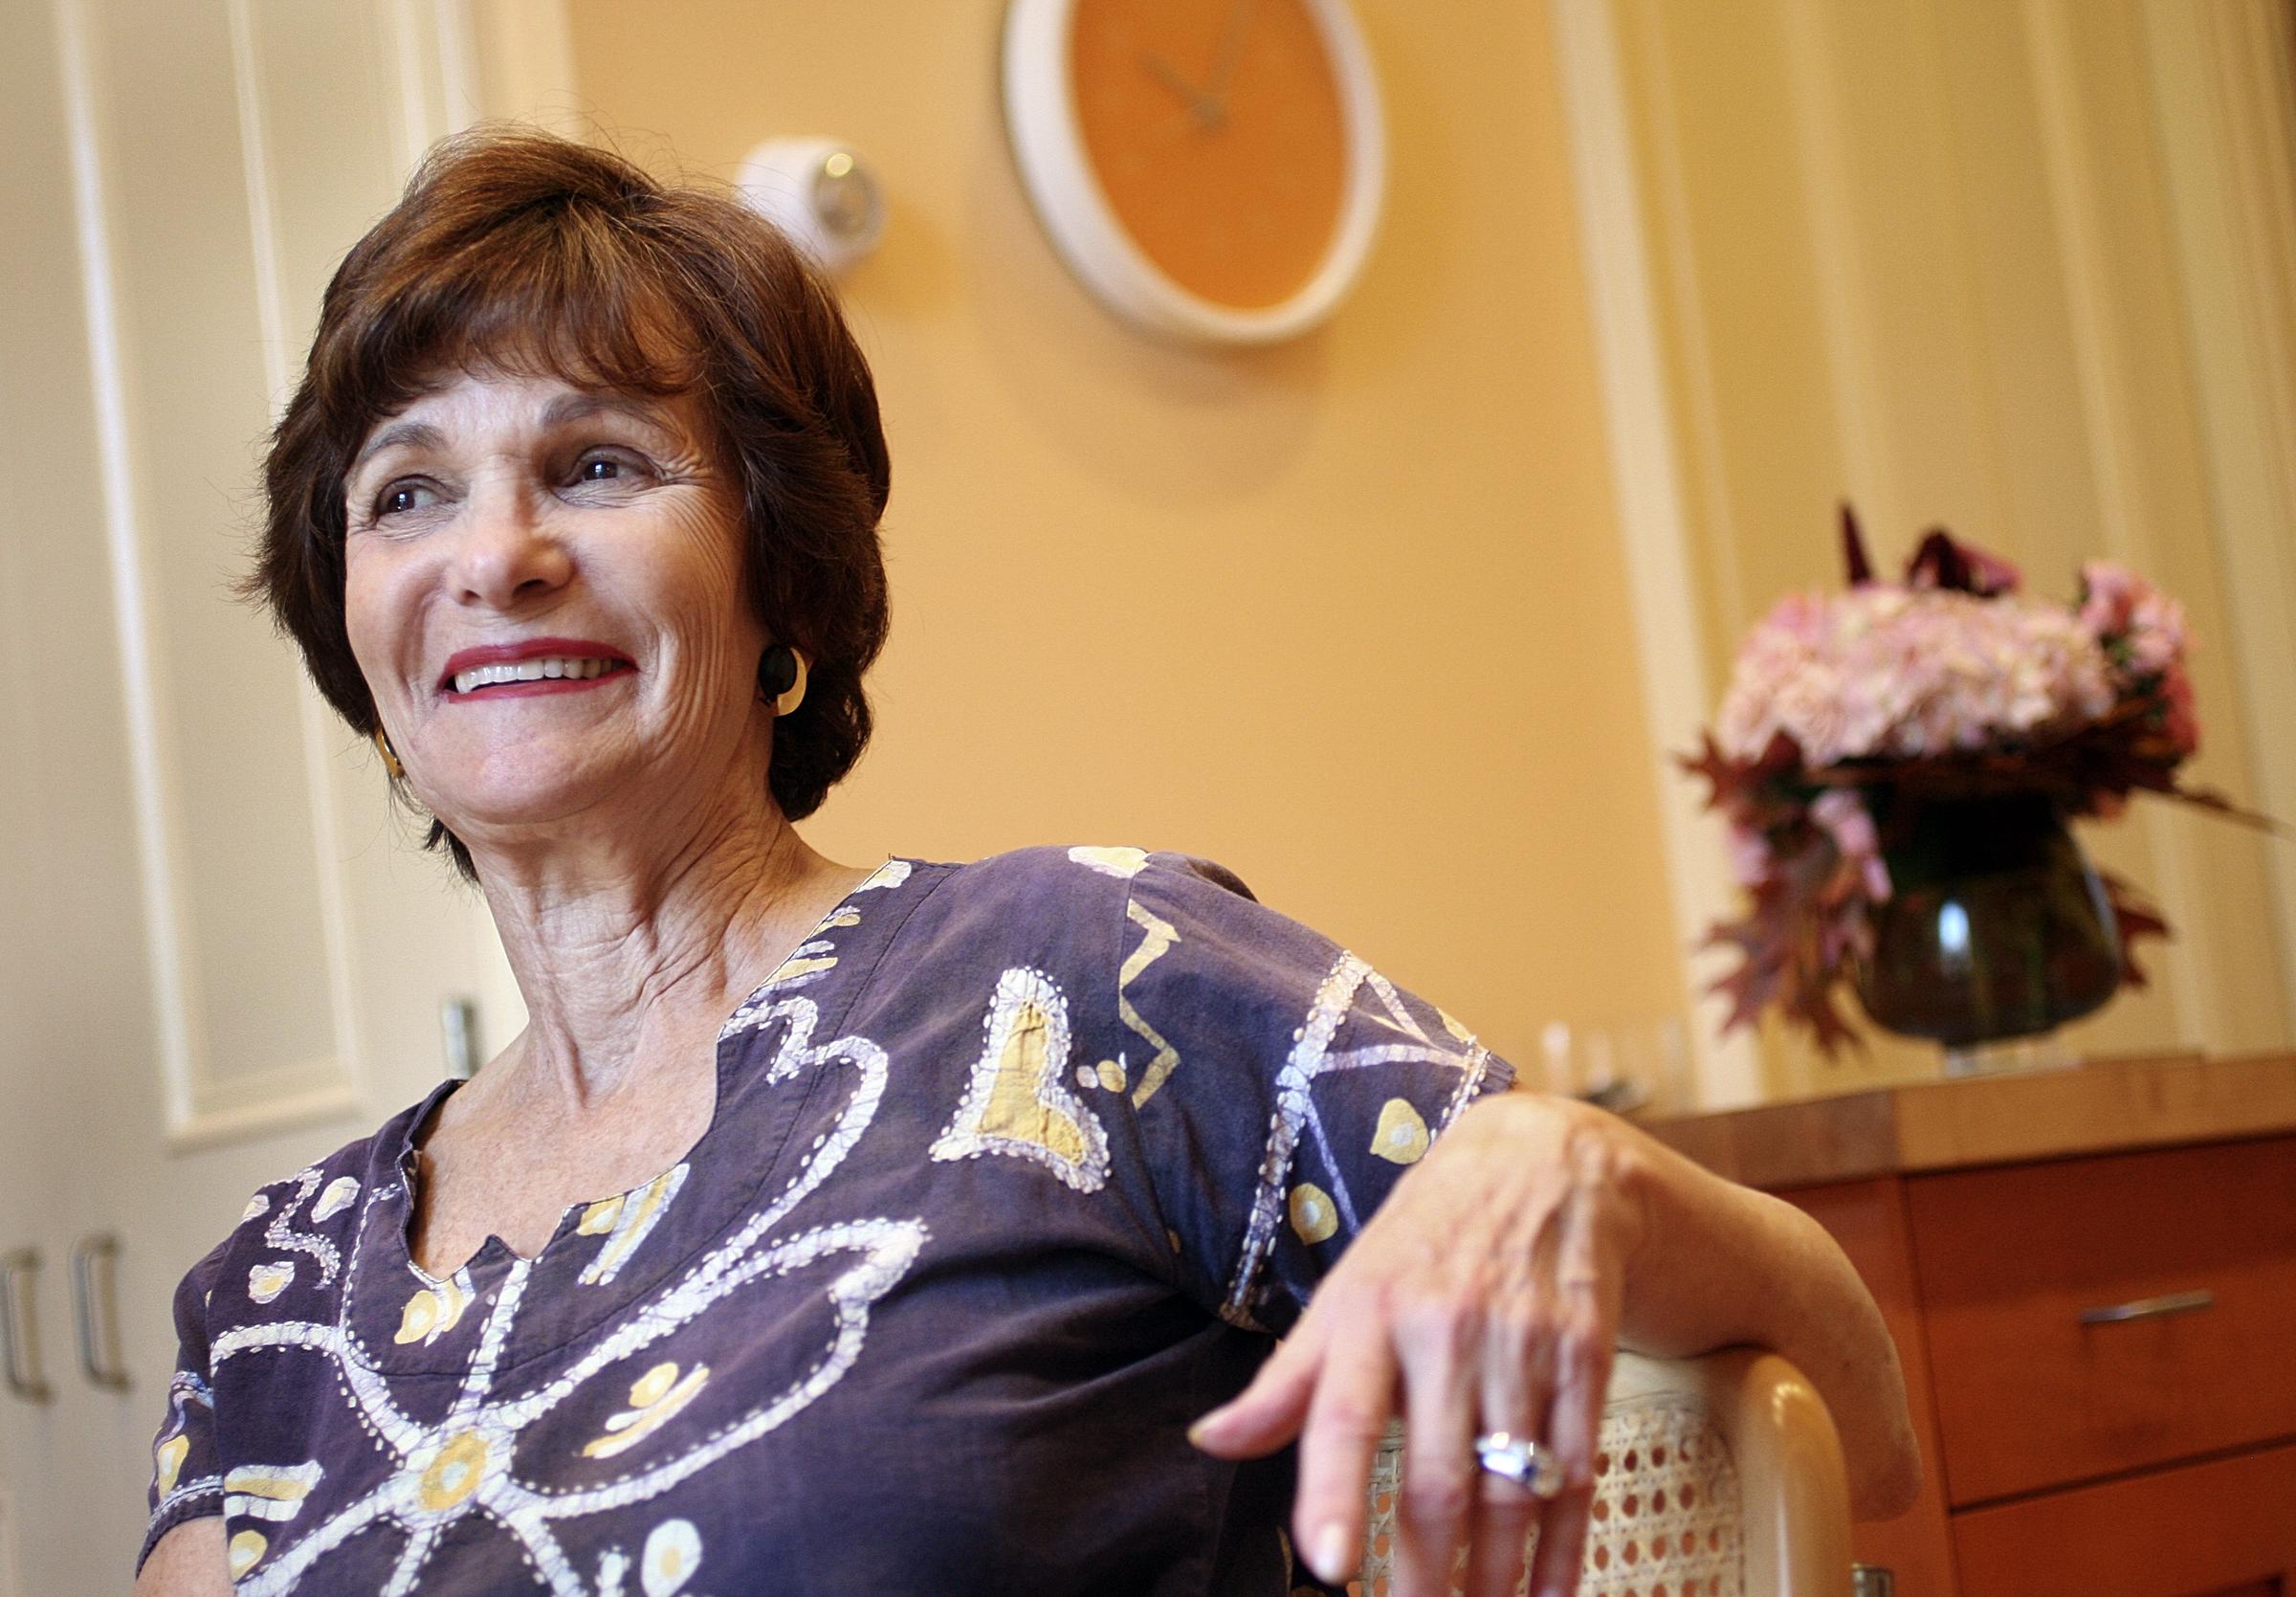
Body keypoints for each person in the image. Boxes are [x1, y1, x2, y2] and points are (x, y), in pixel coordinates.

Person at [132, 129, 1917, 1597]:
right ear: (356, 640)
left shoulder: (1076, 985)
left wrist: (1570, 1167)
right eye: (407, 492)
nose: (498, 553)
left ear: (784, 592)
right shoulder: (274, 1297)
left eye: (597, 464)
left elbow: (1860, 1396)